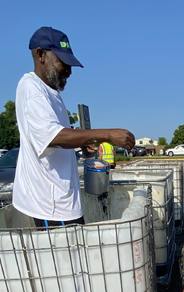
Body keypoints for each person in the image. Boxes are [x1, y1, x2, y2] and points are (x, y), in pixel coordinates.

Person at [13, 26, 135, 228]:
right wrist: (106, 134)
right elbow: (52, 137)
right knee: (63, 258)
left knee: (74, 257)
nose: (69, 71)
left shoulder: (52, 94)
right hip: (50, 205)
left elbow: (56, 142)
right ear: (41, 55)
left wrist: (82, 146)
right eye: (63, 62)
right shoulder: (32, 88)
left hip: (63, 200)